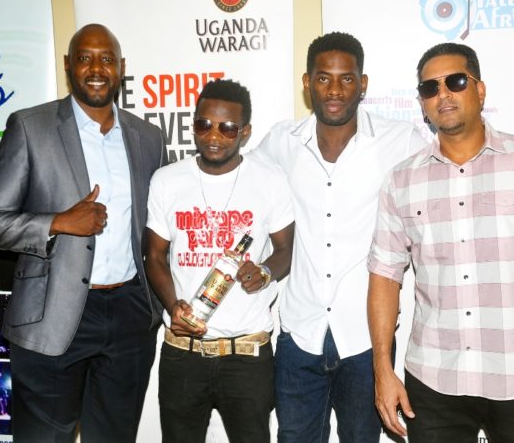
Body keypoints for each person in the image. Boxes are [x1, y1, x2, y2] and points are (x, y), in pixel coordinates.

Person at [0, 23, 168, 442]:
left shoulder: (149, 138)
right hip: (51, 314)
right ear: (68, 65)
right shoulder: (30, 127)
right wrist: (57, 222)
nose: (96, 68)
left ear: (121, 67)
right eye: (85, 58)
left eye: (106, 59)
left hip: (129, 315)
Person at [253, 31, 427, 442]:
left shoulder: (400, 141)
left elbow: (439, 190)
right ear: (307, 82)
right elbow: (241, 189)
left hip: (365, 340)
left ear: (362, 84)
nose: (334, 90)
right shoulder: (281, 142)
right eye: (323, 78)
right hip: (299, 334)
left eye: (346, 78)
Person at [368, 42, 514, 443]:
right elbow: (384, 275)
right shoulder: (402, 180)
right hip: (434, 380)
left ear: (480, 90)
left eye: (456, 81)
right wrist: (382, 369)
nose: (443, 94)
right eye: (430, 88)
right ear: (422, 103)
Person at [145, 78, 294, 443]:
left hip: (247, 354)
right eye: (204, 124)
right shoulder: (166, 180)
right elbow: (154, 255)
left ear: (245, 132)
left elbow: (286, 250)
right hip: (183, 352)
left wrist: (264, 272)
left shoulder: (270, 180)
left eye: (227, 128)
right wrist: (173, 305)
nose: (213, 136)